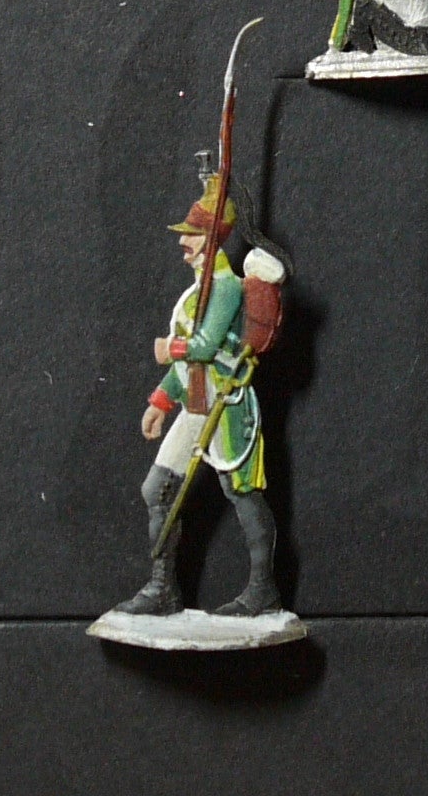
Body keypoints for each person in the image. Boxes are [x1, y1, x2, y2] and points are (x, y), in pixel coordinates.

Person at [118, 169, 285, 619]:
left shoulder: (225, 287)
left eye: (191, 235)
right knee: (157, 489)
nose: (183, 242)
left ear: (211, 241)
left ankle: (263, 590)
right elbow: (188, 367)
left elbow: (206, 348)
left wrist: (168, 348)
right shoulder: (195, 294)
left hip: (227, 407)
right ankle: (161, 588)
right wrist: (160, 401)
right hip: (196, 403)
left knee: (241, 492)